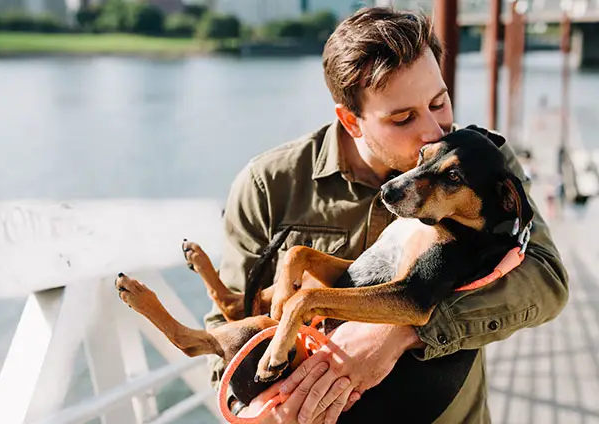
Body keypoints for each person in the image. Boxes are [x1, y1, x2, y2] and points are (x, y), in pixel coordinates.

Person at [204, 7, 569, 424]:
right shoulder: (267, 185)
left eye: (439, 101)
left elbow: (547, 280)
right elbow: (224, 326)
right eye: (403, 118)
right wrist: (253, 411)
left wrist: (401, 330)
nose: (434, 131)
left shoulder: (480, 163)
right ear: (351, 121)